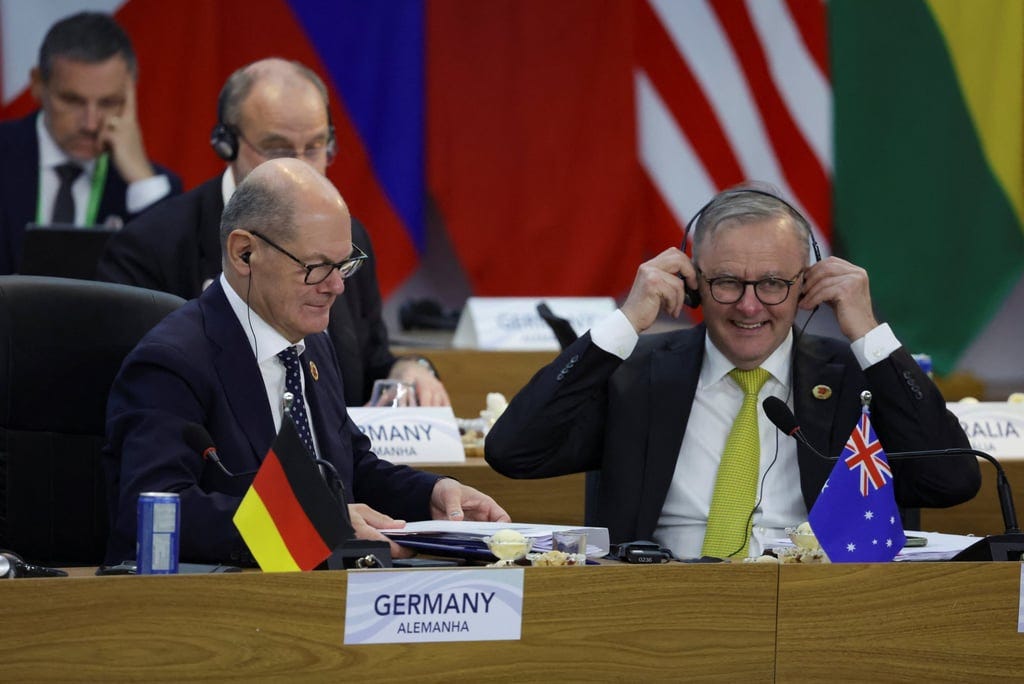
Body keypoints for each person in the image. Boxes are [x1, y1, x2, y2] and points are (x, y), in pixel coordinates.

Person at [485, 186, 980, 560]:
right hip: (660, 614)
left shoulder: (855, 378)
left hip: (819, 607)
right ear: (693, 282)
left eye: (772, 283)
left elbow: (951, 480)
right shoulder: (637, 376)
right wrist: (628, 320)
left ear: (805, 286)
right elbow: (515, 452)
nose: (749, 306)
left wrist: (869, 332)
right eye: (726, 282)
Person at [103, 158, 508, 566]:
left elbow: (348, 467)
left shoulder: (311, 343)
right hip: (218, 607)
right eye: (316, 268)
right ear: (245, 253)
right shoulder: (172, 361)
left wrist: (431, 493)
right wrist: (315, 525)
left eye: (344, 265)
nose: (336, 287)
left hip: (324, 594)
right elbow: (156, 512)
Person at [96, 57, 446, 406]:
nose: (299, 165)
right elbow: (142, 392)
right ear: (225, 144)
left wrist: (408, 369)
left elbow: (370, 364)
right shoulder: (149, 247)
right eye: (278, 149)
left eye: (314, 147)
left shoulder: (349, 239)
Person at [0, 11, 180, 274]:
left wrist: (141, 179)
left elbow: (174, 285)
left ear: (130, 96)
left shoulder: (151, 189)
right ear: (38, 85)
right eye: (72, 101)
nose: (91, 124)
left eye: (109, 103)